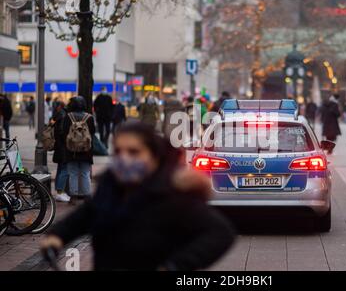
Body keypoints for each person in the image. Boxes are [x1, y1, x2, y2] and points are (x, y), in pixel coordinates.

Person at [40, 122, 235, 271]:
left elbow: (220, 233)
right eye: (118, 151)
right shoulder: (111, 185)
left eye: (134, 152)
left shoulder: (172, 192)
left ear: (154, 156)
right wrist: (58, 236)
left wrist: (175, 266)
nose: (124, 158)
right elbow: (87, 214)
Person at [63, 96, 96, 205]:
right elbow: (93, 132)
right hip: (86, 151)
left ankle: (73, 197)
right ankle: (87, 196)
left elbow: (64, 132)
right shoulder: (89, 117)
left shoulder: (68, 117)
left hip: (71, 150)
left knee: (73, 173)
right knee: (85, 173)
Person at [50, 101, 70, 203]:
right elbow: (62, 131)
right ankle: (60, 192)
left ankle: (59, 191)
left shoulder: (57, 115)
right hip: (63, 146)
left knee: (60, 168)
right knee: (64, 169)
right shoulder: (63, 114)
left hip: (59, 146)